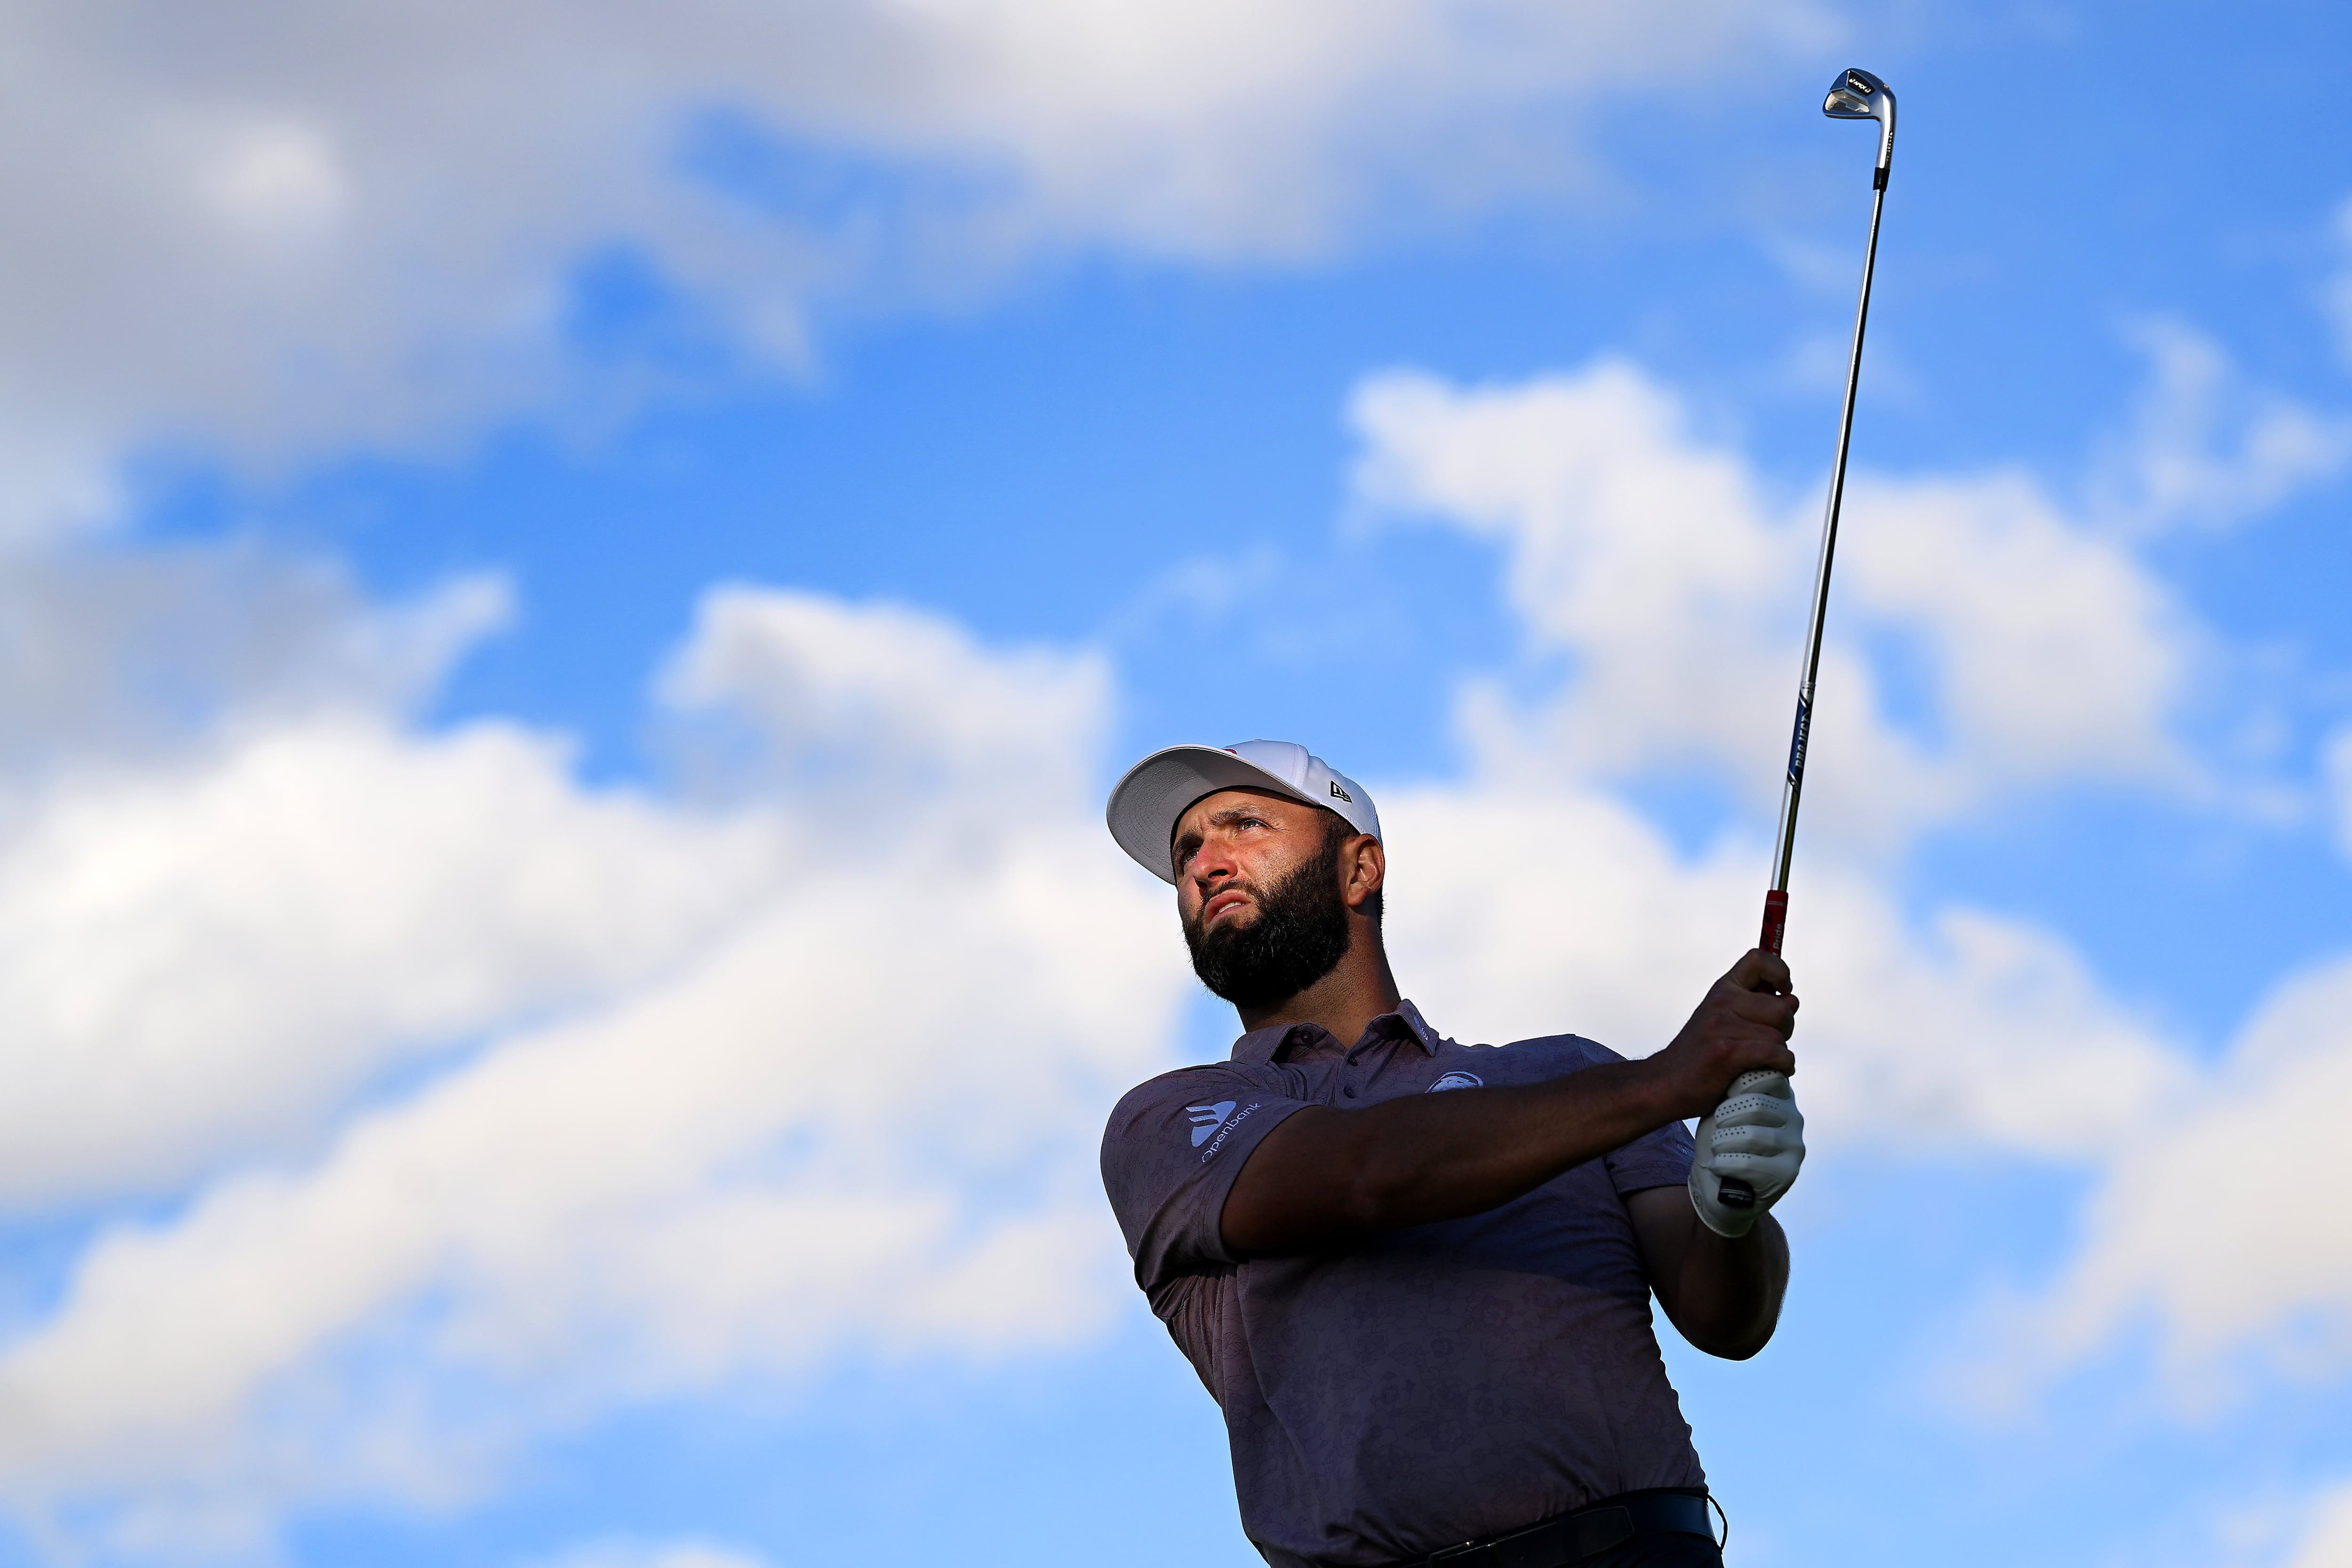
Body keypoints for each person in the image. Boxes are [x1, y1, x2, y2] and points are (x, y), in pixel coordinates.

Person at [1098, 741, 1807, 1568]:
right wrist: (1666, 1082)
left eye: (1244, 826)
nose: (1205, 865)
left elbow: (1730, 1320)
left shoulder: (1569, 1072)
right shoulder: (1167, 1119)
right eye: (1187, 852)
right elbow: (1362, 1174)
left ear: (1360, 867)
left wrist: (1732, 1206)